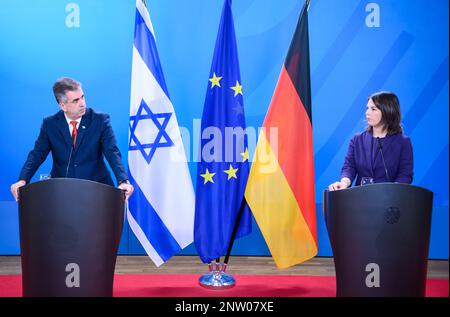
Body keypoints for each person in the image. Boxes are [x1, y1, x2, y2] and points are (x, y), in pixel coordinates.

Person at [10, 77, 134, 201]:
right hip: (62, 192)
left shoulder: (100, 120)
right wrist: (22, 180)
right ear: (63, 105)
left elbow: (112, 152)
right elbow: (37, 154)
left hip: (98, 190)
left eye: (82, 97)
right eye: (75, 101)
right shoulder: (50, 124)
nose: (82, 103)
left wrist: (122, 180)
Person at [328, 91, 413, 191]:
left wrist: (392, 192)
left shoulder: (403, 142)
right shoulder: (357, 140)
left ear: (388, 111)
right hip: (360, 199)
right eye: (367, 108)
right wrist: (344, 182)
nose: (367, 112)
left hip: (389, 201)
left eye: (373, 109)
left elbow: (405, 174)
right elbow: (349, 167)